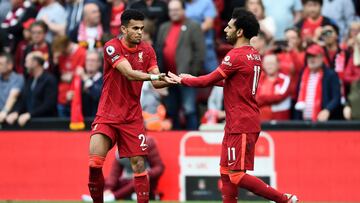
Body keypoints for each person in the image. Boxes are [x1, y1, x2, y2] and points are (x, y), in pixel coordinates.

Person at [168, 8, 298, 203]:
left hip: (242, 122)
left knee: (236, 174)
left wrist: (182, 80)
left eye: (229, 26)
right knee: (225, 171)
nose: (225, 29)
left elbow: (209, 80)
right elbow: (231, 82)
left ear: (239, 32)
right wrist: (195, 79)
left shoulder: (235, 56)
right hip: (238, 121)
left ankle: (283, 199)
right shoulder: (253, 54)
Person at [87, 9, 174, 203]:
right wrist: (154, 77)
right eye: (135, 28)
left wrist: (174, 79)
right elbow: (128, 72)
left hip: (132, 117)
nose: (139, 32)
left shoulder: (148, 50)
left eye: (142, 28)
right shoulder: (111, 47)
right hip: (107, 115)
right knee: (94, 163)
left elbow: (157, 81)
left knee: (139, 165)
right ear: (124, 29)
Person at [156, 0, 205, 130]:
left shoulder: (193, 26)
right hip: (169, 77)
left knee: (189, 109)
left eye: (176, 10)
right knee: (172, 110)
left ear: (184, 10)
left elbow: (199, 52)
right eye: (171, 10)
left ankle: (193, 137)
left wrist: (192, 72)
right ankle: (175, 139)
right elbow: (159, 51)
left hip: (186, 76)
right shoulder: (164, 27)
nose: (173, 13)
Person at [82, 136, 164, 202]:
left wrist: (147, 173)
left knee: (140, 179)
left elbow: (159, 167)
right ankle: (101, 196)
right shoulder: (120, 147)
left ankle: (113, 197)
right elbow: (114, 174)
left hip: (145, 180)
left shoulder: (147, 142)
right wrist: (108, 188)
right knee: (106, 180)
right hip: (127, 180)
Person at [5, 51, 57, 126]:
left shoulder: (49, 80)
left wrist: (30, 114)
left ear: (35, 63)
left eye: (27, 61)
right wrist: (16, 112)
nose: (25, 65)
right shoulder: (30, 79)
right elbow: (23, 100)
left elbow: (48, 105)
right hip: (30, 122)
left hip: (46, 123)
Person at [295, 44, 341, 121]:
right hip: (303, 119)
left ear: (322, 58)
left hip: (322, 120)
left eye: (314, 56)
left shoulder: (330, 75)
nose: (311, 60)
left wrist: (327, 110)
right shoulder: (303, 74)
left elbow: (336, 97)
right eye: (309, 57)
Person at [0, 52, 24, 123]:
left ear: (10, 65)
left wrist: (4, 112)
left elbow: (13, 97)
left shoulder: (18, 78)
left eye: (0, 64)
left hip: (11, 117)